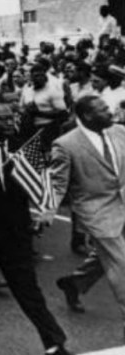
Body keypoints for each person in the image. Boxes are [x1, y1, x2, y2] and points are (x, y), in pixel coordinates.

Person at [0, 104, 93, 355]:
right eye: (0, 119)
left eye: (11, 117)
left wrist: (39, 213)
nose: (8, 123)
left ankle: (55, 346)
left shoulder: (21, 145)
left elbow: (37, 182)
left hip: (15, 232)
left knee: (29, 291)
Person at [50, 96, 125, 331]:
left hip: (122, 201)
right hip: (96, 210)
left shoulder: (120, 132)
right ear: (88, 116)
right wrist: (47, 210)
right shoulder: (66, 144)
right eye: (104, 110)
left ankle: (75, 283)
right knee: (121, 262)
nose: (110, 112)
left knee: (107, 257)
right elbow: (57, 182)